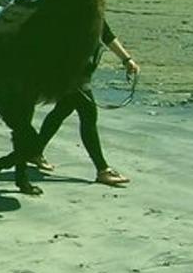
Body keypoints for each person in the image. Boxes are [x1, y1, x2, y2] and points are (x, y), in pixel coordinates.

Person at [30, 21, 139, 186]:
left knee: (62, 110)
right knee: (88, 115)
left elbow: (106, 34)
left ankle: (35, 152)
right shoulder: (70, 11)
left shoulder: (91, 11)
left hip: (80, 72)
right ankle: (103, 170)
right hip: (71, 73)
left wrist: (126, 60)